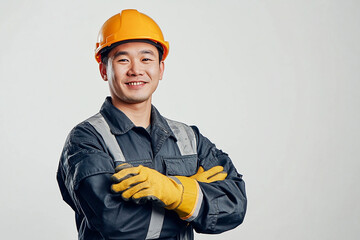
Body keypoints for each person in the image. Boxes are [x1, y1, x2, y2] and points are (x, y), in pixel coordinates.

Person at [57, 9, 247, 240]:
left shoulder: (189, 138)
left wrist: (173, 191)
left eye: (146, 59)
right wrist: (186, 197)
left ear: (160, 69)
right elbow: (116, 224)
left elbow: (234, 205)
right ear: (103, 70)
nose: (136, 69)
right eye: (123, 59)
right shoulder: (86, 139)